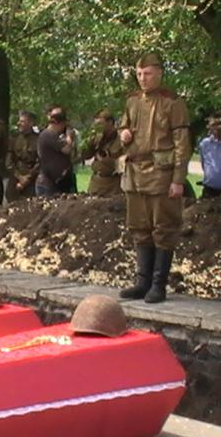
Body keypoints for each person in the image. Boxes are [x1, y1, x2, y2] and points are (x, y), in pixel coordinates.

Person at [119, 52, 191, 304]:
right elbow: (124, 126)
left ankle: (158, 285)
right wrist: (123, 133)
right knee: (139, 227)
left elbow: (182, 143)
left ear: (159, 73)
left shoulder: (172, 102)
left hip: (161, 173)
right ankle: (143, 282)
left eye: (147, 73)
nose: (142, 78)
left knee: (163, 227)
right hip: (135, 173)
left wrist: (178, 179)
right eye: (139, 74)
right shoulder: (132, 100)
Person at [81, 108, 124, 196]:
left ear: (110, 122)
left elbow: (123, 165)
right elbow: (85, 156)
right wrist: (88, 143)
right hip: (96, 184)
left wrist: (104, 159)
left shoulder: (121, 140)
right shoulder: (97, 138)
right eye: (96, 125)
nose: (98, 127)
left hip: (113, 185)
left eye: (100, 124)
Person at [35, 105, 75, 196]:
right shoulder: (49, 134)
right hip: (48, 183)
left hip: (55, 181)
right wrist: (69, 136)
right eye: (63, 125)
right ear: (58, 123)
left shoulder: (52, 135)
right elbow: (67, 149)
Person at [5, 110, 39, 201]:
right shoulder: (14, 138)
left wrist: (28, 178)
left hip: (32, 178)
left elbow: (40, 161)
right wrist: (19, 177)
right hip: (15, 176)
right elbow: (8, 161)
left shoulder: (38, 139)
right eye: (19, 121)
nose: (19, 123)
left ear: (31, 123)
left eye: (22, 121)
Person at [199, 113, 221, 198]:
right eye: (213, 125)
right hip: (209, 191)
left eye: (218, 124)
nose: (217, 128)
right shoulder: (205, 144)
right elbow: (204, 165)